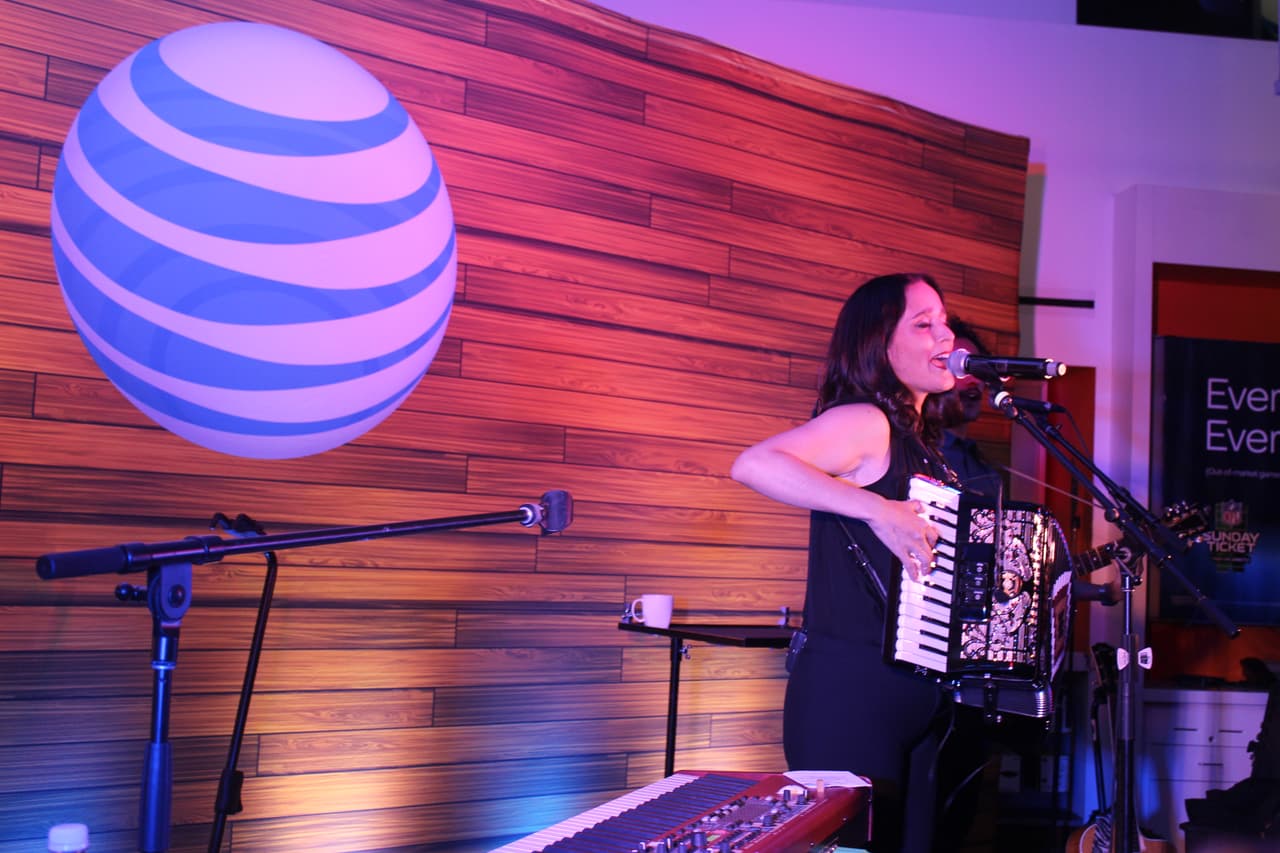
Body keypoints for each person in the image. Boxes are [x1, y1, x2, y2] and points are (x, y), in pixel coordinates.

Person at [730, 272, 962, 853]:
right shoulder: (867, 421)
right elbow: (755, 464)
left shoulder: (923, 442)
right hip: (852, 692)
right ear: (879, 344)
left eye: (945, 322)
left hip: (915, 694)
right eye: (924, 324)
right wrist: (878, 509)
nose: (946, 336)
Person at [939, 318, 1004, 498]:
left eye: (977, 369)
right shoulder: (917, 454)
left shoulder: (987, 472)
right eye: (961, 369)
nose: (973, 380)